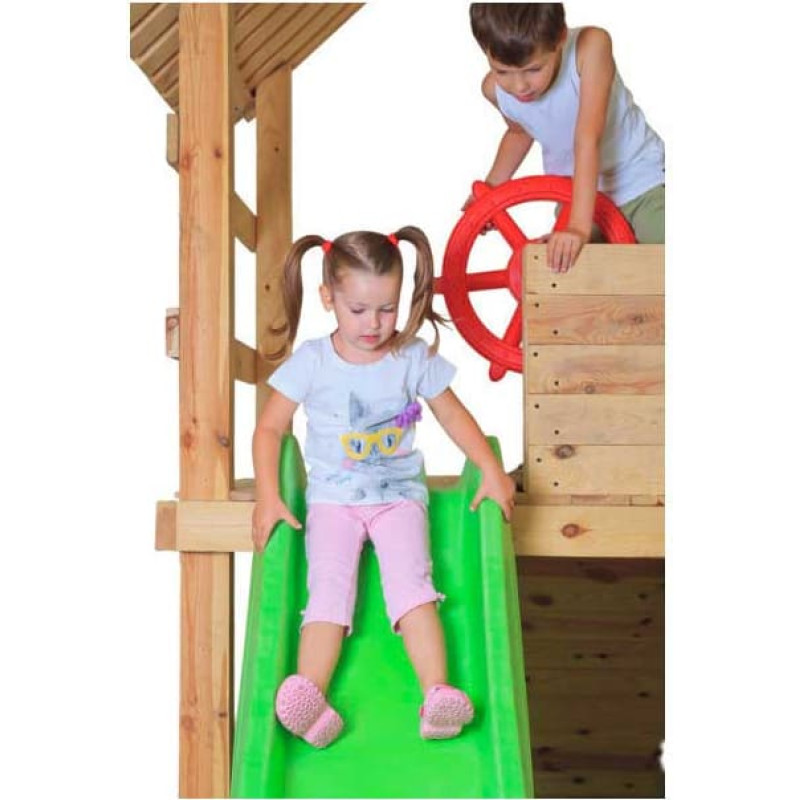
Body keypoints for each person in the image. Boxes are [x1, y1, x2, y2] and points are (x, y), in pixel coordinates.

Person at [252, 226, 516, 748]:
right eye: (358, 310)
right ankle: (311, 694)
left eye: (387, 309)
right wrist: (268, 496)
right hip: (332, 501)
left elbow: (452, 415)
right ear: (328, 298)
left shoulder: (410, 356)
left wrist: (490, 469)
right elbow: (269, 428)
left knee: (413, 588)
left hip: (398, 499)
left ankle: (437, 695)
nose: (373, 324)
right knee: (328, 590)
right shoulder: (313, 361)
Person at [469, 3, 665, 272]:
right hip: (575, 196)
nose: (519, 86)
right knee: (569, 275)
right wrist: (490, 191)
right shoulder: (495, 91)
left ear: (560, 37)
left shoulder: (590, 48)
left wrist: (578, 227)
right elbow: (519, 132)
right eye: (502, 71)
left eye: (533, 69)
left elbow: (587, 138)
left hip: (640, 181)